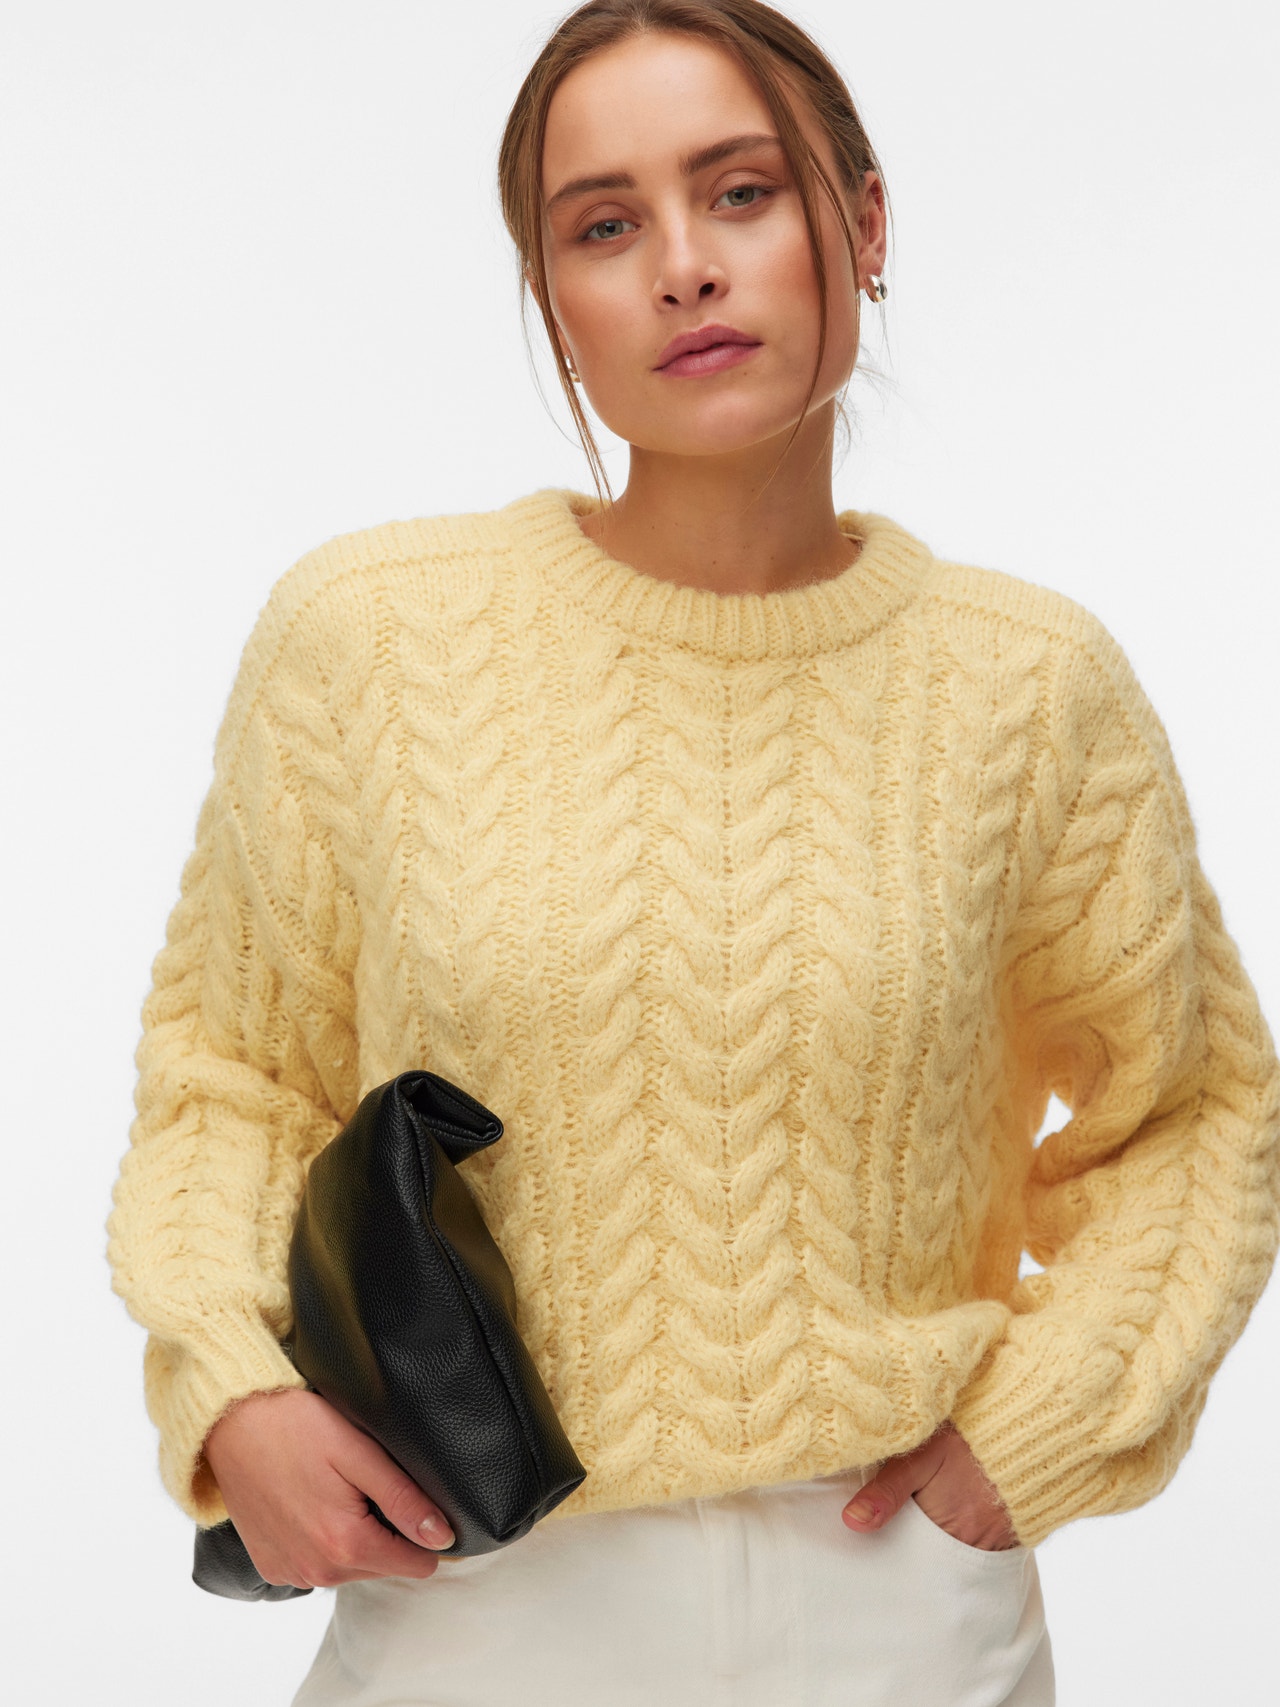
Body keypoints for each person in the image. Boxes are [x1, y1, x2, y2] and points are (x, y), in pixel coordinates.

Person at [105, 3, 1280, 1704]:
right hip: (477, 1592)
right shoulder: (369, 640)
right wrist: (235, 1386)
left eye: (741, 192)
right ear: (553, 298)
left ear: (861, 224)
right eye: (604, 225)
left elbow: (1191, 1112)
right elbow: (231, 1074)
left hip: (899, 1604)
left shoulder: (1031, 690)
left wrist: (1029, 1438)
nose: (683, 269)